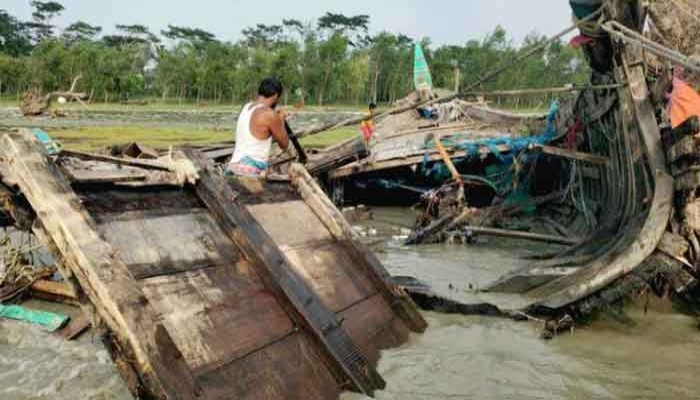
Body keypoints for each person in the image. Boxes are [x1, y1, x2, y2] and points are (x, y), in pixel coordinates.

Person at [227, 78, 290, 177]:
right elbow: (284, 144)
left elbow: (260, 133)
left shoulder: (246, 106)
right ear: (275, 96)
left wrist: (276, 118)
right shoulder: (270, 115)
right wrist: (281, 120)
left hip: (233, 165)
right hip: (250, 169)